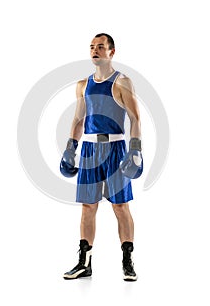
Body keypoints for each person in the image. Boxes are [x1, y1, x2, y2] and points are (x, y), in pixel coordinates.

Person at [60, 33, 143, 281]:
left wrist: (136, 149)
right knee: (88, 206)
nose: (95, 50)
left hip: (116, 149)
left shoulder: (122, 82)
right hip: (89, 151)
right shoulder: (82, 85)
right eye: (92, 47)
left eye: (100, 47)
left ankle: (127, 261)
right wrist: (70, 148)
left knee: (120, 206)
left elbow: (135, 118)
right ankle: (84, 263)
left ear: (111, 52)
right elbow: (78, 119)